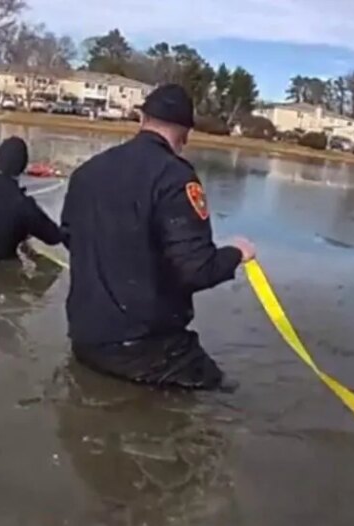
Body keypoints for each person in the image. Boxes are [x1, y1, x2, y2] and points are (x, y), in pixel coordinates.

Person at [60, 83, 256, 390]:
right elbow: (197, 269)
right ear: (186, 134)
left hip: (84, 338)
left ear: (141, 119)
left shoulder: (86, 172)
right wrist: (236, 253)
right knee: (230, 397)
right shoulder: (175, 178)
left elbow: (71, 237)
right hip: (147, 349)